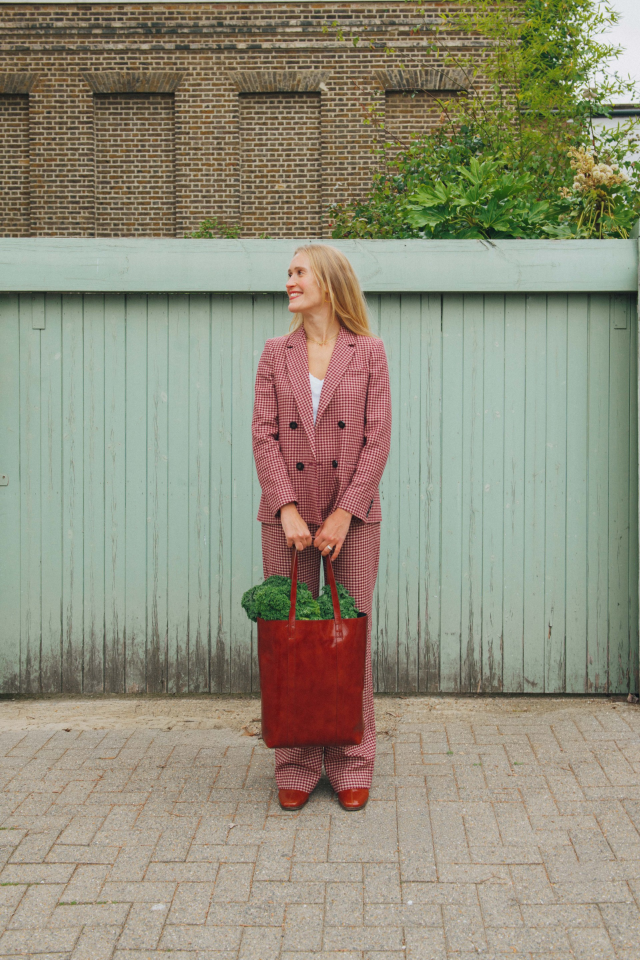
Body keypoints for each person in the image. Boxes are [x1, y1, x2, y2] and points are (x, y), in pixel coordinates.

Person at [251, 244, 392, 811]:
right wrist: (285, 507)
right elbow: (263, 435)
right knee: (291, 641)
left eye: (299, 272)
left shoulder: (370, 353)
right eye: (288, 272)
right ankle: (297, 761)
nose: (289, 280)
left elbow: (377, 439)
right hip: (286, 518)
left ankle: (351, 759)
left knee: (345, 637)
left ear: (330, 284)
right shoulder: (272, 353)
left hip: (350, 518)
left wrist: (344, 512)